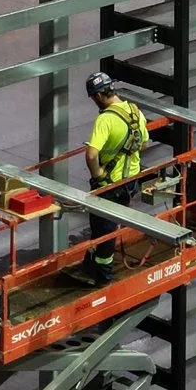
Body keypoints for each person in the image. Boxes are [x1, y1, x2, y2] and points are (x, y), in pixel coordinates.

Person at [77, 71, 150, 284]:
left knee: (104, 230)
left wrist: (97, 173)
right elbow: (144, 143)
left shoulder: (106, 119)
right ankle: (90, 265)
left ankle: (103, 277)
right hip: (131, 182)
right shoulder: (135, 112)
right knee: (104, 227)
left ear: (98, 96)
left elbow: (91, 154)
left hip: (110, 185)